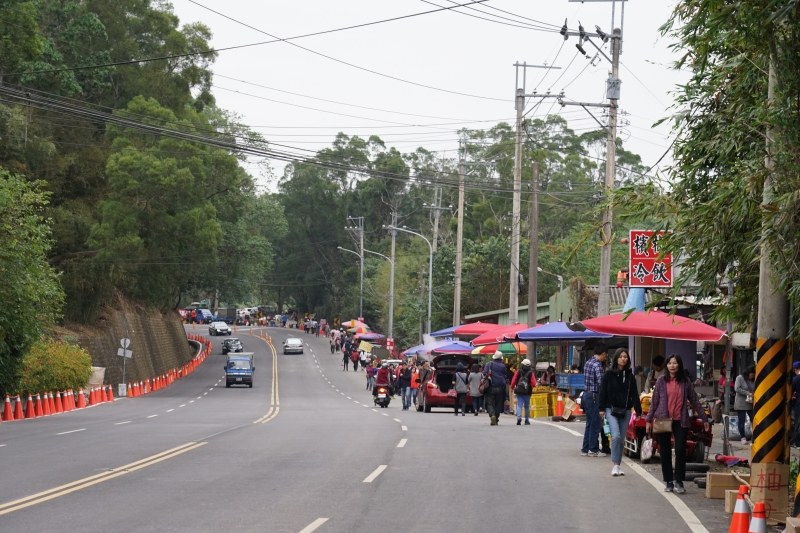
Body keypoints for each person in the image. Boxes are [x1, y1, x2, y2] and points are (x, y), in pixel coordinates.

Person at [646, 354, 710, 494]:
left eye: (674, 363)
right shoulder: (661, 381)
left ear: (679, 365)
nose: (672, 366)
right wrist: (648, 420)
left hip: (680, 420)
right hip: (663, 420)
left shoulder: (685, 381)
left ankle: (679, 481)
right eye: (669, 363)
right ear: (666, 365)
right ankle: (669, 481)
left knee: (681, 449)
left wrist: (704, 418)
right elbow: (654, 402)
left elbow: (694, 401)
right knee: (665, 451)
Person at [599, 348, 643, 476]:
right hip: (610, 409)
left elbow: (634, 393)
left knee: (621, 438)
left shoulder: (630, 376)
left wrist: (638, 411)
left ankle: (618, 465)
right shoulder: (608, 374)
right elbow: (603, 391)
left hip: (626, 410)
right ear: (616, 358)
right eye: (620, 356)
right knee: (616, 435)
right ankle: (614, 464)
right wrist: (601, 408)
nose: (623, 359)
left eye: (625, 357)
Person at [581, 342, 608, 457]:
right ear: (603, 353)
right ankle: (593, 449)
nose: (605, 357)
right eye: (606, 355)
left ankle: (585, 449)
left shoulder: (588, 362)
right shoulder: (598, 365)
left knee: (589, 423)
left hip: (586, 394)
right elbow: (601, 383)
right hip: (594, 396)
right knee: (595, 423)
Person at [483, 351, 508, 426]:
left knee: (490, 402)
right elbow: (504, 374)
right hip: (500, 387)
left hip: (491, 386)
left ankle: (492, 415)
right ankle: (496, 418)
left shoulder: (489, 364)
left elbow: (484, 373)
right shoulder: (503, 366)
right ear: (501, 359)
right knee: (498, 403)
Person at [510, 359, 537, 425]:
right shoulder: (531, 373)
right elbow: (534, 384)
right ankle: (527, 420)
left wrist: (512, 387)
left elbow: (513, 381)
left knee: (519, 405)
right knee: (527, 406)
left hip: (519, 391)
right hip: (527, 392)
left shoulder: (518, 372)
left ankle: (519, 418)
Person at [734, 366, 755, 444]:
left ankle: (755, 435)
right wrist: (747, 393)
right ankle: (743, 438)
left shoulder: (753, 380)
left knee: (754, 418)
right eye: (751, 375)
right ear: (748, 373)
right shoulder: (739, 378)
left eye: (753, 375)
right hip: (741, 402)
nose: (752, 377)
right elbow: (737, 389)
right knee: (741, 420)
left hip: (750, 403)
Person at [791, 362, 800, 448]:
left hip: (798, 403)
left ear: (795, 369)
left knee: (797, 423)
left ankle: (797, 443)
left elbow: (791, 391)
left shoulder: (796, 379)